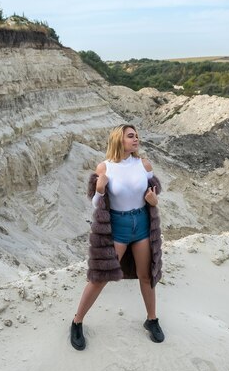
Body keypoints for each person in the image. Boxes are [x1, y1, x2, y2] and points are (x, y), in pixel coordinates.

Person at [70, 124, 164, 350]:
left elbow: (153, 195)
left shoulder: (144, 165)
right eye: (130, 136)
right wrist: (100, 190)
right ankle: (77, 321)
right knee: (100, 277)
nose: (136, 139)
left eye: (137, 136)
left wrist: (154, 201)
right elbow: (96, 203)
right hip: (118, 227)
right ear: (118, 139)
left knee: (146, 275)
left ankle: (151, 319)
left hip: (141, 224)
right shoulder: (104, 167)